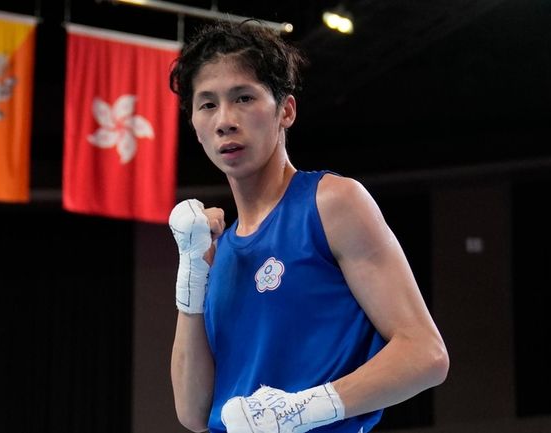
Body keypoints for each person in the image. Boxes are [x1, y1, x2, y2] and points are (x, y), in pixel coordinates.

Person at [167, 19, 449, 433]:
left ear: (286, 110)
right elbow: (193, 413)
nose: (225, 120)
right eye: (207, 104)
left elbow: (425, 354)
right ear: (194, 124)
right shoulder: (215, 250)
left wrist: (300, 409)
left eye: (243, 97)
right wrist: (191, 272)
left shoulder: (332, 203)